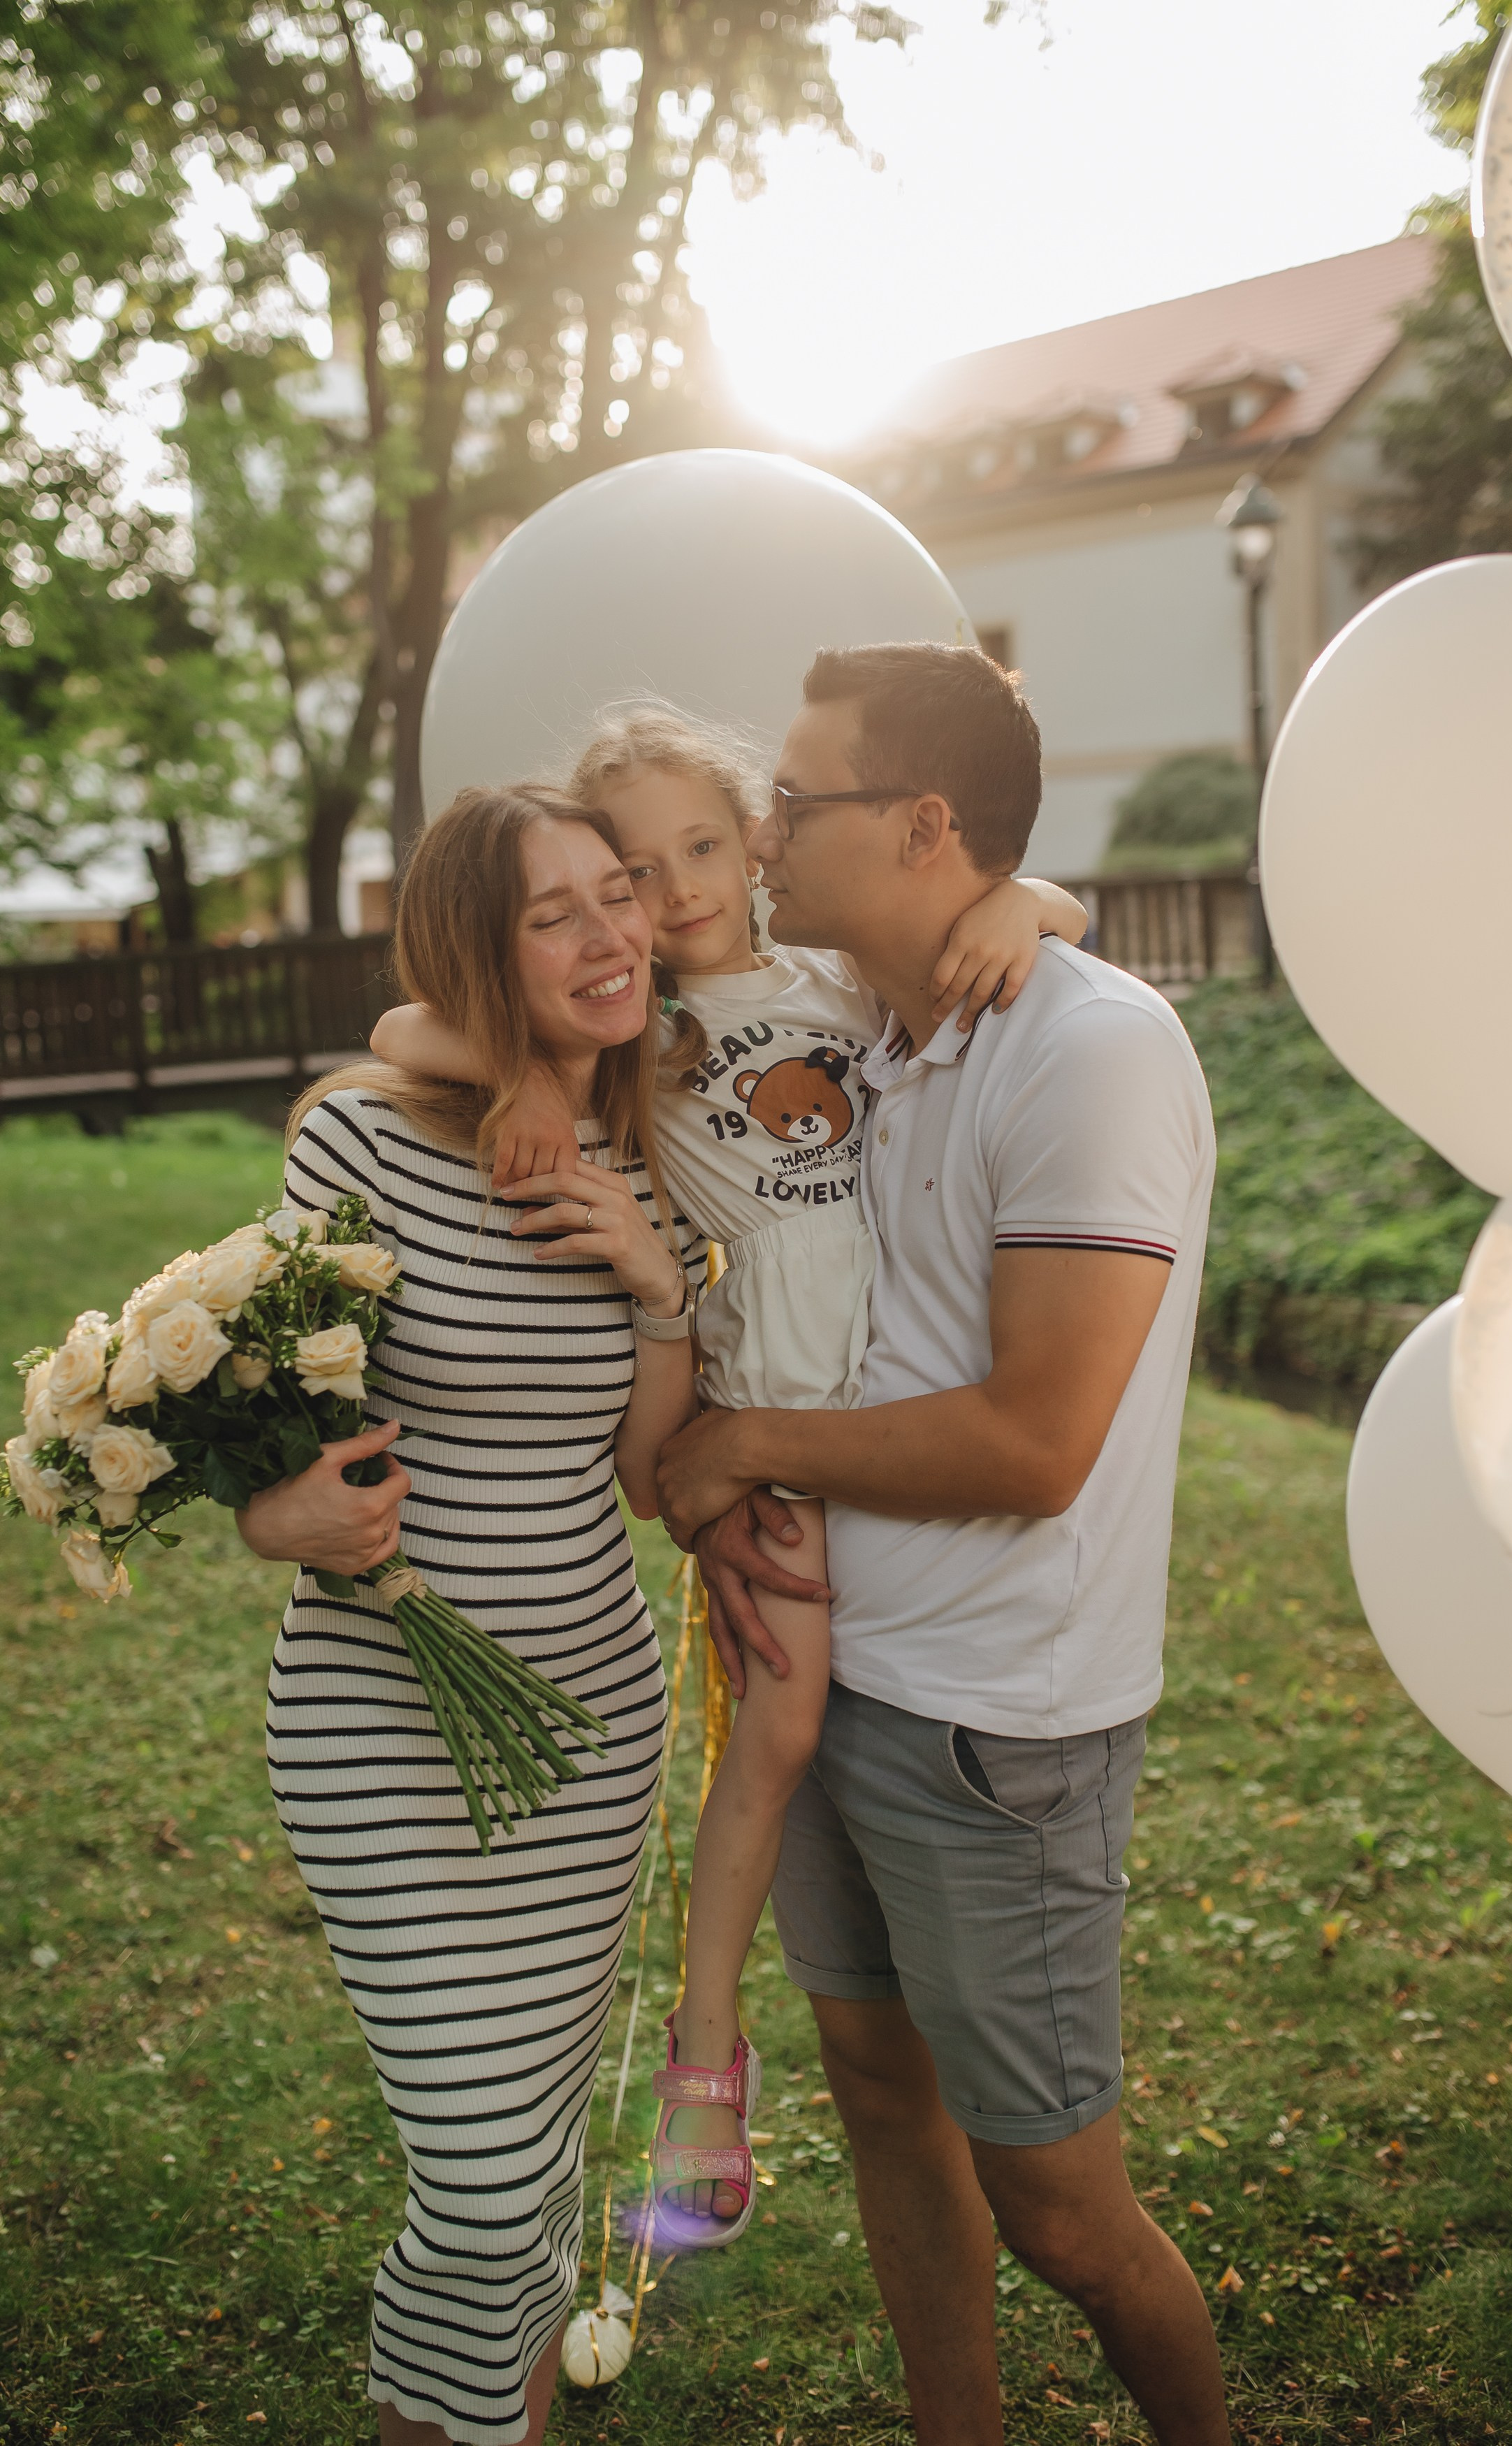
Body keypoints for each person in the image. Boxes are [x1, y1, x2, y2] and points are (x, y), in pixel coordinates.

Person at [371, 707, 1089, 2251]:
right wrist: (529, 1079)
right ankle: (707, 2055)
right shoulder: (641, 1034)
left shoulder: (841, 980)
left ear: (757, 839)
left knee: (812, 1704)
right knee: (781, 1721)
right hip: (768, 1391)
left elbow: (1042, 914)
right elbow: (401, 1034)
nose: (675, 889)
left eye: (702, 845)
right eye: (635, 871)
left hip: (886, 1379)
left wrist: (1026, 903)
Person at [656, 643, 1229, 2446]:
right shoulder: (877, 1025)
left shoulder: (1091, 1049)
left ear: (921, 825)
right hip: (824, 1675)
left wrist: (740, 1441)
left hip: (994, 1721)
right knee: (876, 2091)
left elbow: (1034, 1443)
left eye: (791, 801)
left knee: (1059, 2206)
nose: (760, 833)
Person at [235, 784, 704, 2446]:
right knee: (491, 2182)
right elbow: (266, 1410)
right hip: (380, 1714)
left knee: (530, 2165)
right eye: (550, 915)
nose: (609, 933)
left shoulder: (654, 1143)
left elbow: (644, 1479)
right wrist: (273, 1513)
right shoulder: (361, 1140)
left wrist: (657, 1284)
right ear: (475, 955)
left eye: (616, 891)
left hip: (586, 1731)